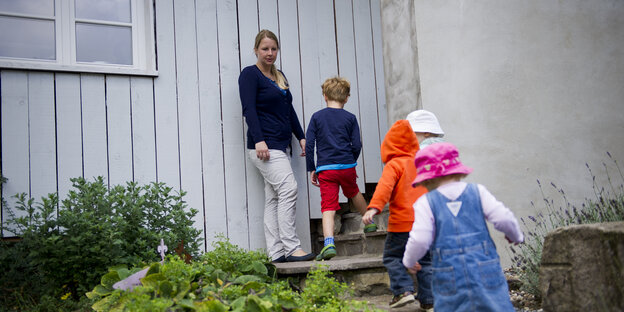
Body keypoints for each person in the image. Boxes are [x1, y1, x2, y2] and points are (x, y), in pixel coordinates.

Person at [403, 142, 524, 311]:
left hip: (448, 275)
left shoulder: (425, 203)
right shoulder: (478, 192)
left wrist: (409, 260)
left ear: (427, 178)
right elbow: (503, 218)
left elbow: (420, 239)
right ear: (457, 169)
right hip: (485, 269)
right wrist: (516, 235)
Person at [238, 29, 314, 263]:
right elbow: (249, 108)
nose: (269, 53)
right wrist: (259, 139)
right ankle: (292, 248)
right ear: (256, 50)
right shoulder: (250, 75)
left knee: (273, 197)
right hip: (264, 146)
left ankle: (276, 253)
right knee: (289, 188)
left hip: (282, 146)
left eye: (273, 49)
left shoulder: (279, 76)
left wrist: (300, 136)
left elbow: (288, 110)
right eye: (265, 49)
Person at [362, 120, 432, 310]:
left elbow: (384, 187)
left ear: (389, 144)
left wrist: (374, 207)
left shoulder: (394, 165)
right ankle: (429, 300)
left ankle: (403, 291)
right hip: (425, 225)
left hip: (403, 225)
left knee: (393, 258)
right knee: (426, 262)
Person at [305, 77, 377, 261]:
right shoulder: (350, 118)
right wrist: (351, 162)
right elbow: (357, 145)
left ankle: (329, 243)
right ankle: (369, 222)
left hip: (326, 169)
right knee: (353, 192)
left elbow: (310, 144)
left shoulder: (317, 117)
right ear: (346, 98)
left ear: (324, 96)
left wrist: (312, 168)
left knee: (328, 206)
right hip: (347, 166)